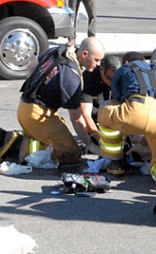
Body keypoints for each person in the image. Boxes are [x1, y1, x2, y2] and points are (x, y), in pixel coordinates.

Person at [16, 37, 106, 166]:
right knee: (72, 152)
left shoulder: (58, 51)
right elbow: (76, 118)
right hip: (36, 115)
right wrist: (91, 146)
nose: (98, 64)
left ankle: (33, 139)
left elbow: (31, 68)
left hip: (24, 106)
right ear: (85, 54)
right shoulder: (71, 77)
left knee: (59, 129)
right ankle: (13, 144)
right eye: (96, 60)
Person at [97, 57, 156, 180]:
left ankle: (116, 162)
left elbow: (117, 99)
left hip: (137, 110)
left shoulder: (123, 70)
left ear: (126, 62)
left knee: (106, 110)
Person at [71, 53, 122, 148]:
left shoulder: (122, 78)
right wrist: (101, 141)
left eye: (116, 80)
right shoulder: (88, 79)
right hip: (96, 121)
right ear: (101, 69)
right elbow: (85, 115)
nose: (112, 83)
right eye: (109, 79)